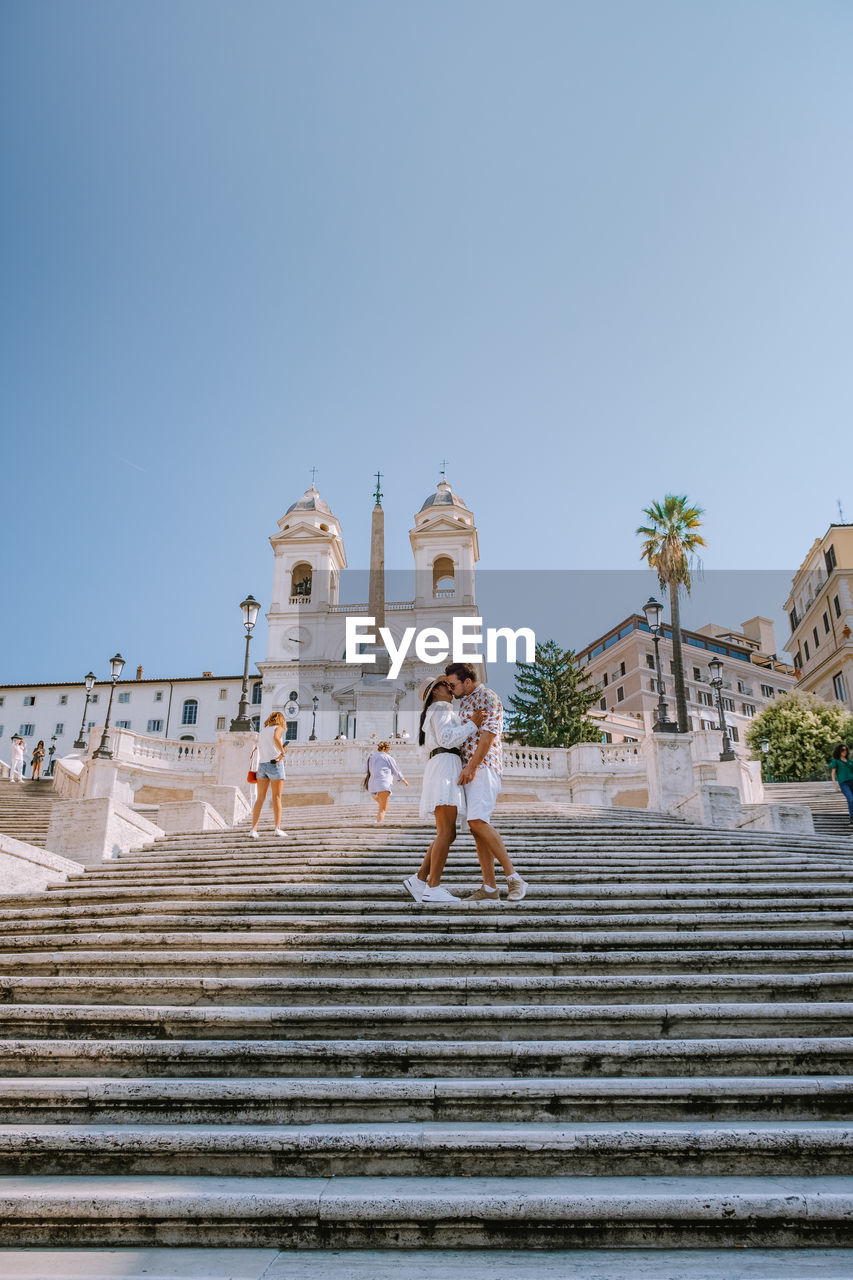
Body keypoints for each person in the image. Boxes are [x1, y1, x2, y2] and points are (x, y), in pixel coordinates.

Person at [444, 661, 529, 902]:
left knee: (478, 821)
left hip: (483, 767)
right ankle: (489, 888)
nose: (450, 689)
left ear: (467, 681)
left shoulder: (488, 697)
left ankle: (514, 878)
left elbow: (489, 735)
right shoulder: (464, 703)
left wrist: (472, 767)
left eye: (453, 685)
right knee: (476, 828)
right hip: (467, 771)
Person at [404, 676, 485, 905]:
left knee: (448, 833)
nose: (448, 687)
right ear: (435, 693)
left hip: (439, 766)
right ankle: (433, 886)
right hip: (445, 766)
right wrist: (473, 725)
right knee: (446, 833)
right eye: (443, 685)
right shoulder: (440, 708)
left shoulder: (434, 712)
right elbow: (447, 738)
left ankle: (420, 880)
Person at [249, 711, 289, 839]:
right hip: (275, 765)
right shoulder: (279, 728)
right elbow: (276, 738)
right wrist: (283, 752)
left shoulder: (263, 730)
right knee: (277, 797)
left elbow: (261, 746)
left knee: (260, 799)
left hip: (262, 766)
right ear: (280, 720)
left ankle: (253, 830)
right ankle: (277, 828)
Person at [366, 740, 408, 823]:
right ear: (386, 749)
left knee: (381, 806)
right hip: (383, 784)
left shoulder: (371, 757)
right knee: (383, 808)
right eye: (389, 750)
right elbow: (396, 770)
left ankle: (378, 822)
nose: (389, 752)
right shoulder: (388, 758)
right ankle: (379, 824)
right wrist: (403, 780)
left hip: (372, 785)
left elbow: (367, 770)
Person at [830, 742, 853, 824]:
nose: (845, 751)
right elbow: (833, 773)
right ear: (839, 751)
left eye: (846, 750)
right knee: (850, 799)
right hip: (844, 783)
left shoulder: (850, 762)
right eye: (843, 750)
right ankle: (852, 817)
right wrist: (835, 785)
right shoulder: (835, 761)